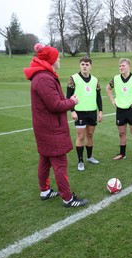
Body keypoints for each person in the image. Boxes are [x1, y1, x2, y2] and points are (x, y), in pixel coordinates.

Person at [23, 43, 88, 208]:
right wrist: (72, 101)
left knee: (45, 159)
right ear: (51, 60)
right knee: (60, 163)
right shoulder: (44, 78)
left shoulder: (44, 75)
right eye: (57, 56)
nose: (59, 59)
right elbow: (55, 105)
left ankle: (44, 191)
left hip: (46, 128)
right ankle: (68, 198)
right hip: (51, 129)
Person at [67, 57, 103, 171]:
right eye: (82, 64)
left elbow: (98, 96)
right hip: (79, 113)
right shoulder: (73, 78)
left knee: (90, 135)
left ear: (91, 66)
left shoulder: (95, 80)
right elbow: (68, 96)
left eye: (87, 64)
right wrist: (72, 110)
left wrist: (100, 111)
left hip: (92, 112)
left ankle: (90, 157)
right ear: (80, 65)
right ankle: (80, 161)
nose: (85, 66)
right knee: (81, 136)